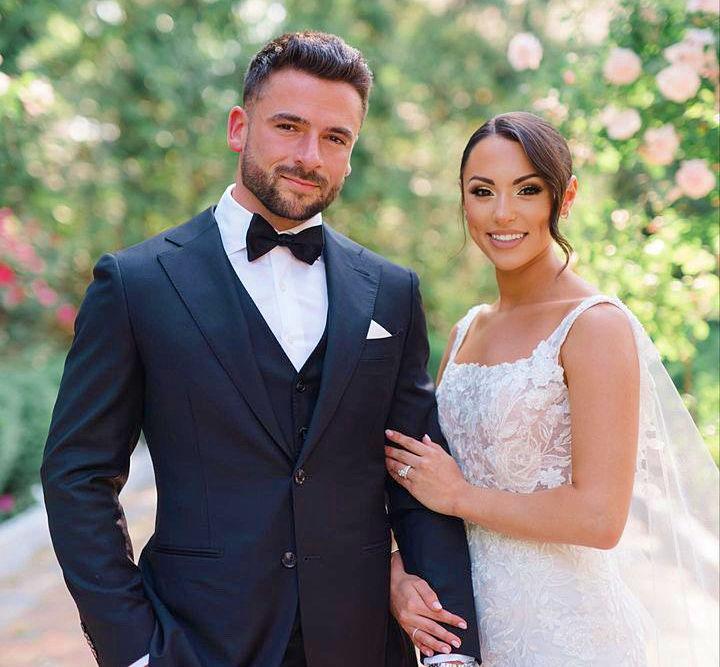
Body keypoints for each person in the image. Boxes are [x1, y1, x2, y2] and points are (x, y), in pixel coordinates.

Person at [40, 32, 482, 667]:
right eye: (289, 126)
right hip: (195, 641)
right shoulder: (137, 284)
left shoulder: (391, 291)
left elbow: (417, 476)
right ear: (239, 128)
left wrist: (450, 654)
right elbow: (78, 475)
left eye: (335, 138)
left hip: (360, 642)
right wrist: (132, 648)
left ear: (351, 155)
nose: (309, 156)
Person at [386, 112, 719, 665]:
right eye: (482, 191)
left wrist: (461, 497)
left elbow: (600, 518)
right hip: (469, 633)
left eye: (527, 190)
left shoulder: (594, 326)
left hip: (569, 636)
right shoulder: (467, 330)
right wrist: (398, 572)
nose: (502, 213)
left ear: (565, 198)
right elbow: (423, 480)